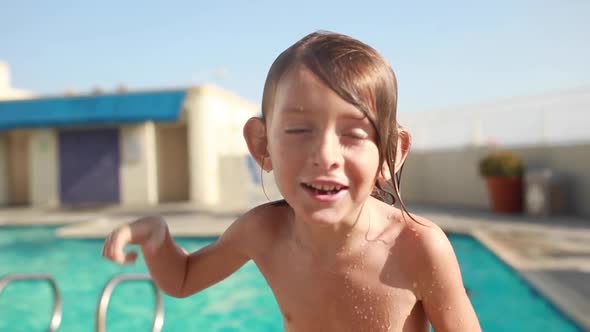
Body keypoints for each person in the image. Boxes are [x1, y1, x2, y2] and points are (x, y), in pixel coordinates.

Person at [102, 31, 481, 332]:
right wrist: (157, 239)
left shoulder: (416, 247)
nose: (325, 154)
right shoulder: (264, 231)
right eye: (299, 129)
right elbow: (183, 279)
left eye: (353, 133)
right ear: (263, 146)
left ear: (390, 154)